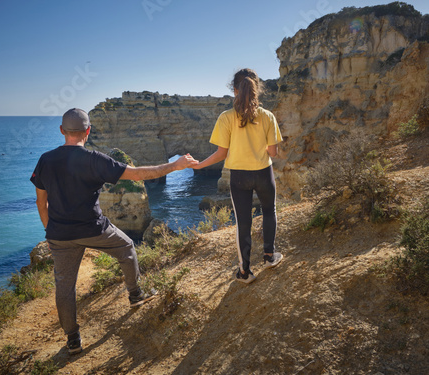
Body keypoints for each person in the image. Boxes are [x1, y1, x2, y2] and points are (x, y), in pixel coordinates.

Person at [30, 108, 198, 354]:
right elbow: (139, 174)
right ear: (87, 131)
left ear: (62, 131)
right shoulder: (95, 159)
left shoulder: (45, 160)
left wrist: (51, 231)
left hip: (59, 235)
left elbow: (40, 202)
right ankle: (135, 294)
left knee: (64, 287)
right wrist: (175, 165)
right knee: (127, 247)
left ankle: (73, 339)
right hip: (94, 229)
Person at [193, 68, 283, 284]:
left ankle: (245, 272)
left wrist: (199, 165)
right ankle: (269, 257)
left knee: (244, 222)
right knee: (269, 212)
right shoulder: (267, 116)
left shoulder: (226, 117)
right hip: (263, 173)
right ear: (256, 90)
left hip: (239, 177)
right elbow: (273, 152)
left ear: (235, 90)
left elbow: (221, 153)